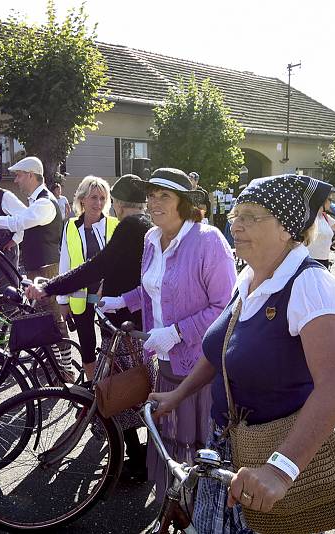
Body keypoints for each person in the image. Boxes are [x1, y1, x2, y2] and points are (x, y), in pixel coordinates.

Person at [149, 174, 335, 530]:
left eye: (251, 216)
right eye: (236, 215)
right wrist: (179, 394)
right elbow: (220, 352)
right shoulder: (249, 278)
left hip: (270, 456)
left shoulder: (309, 284)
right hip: (226, 450)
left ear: (287, 229)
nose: (236, 225)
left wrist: (280, 469)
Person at [99, 168, 236, 501]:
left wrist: (176, 333)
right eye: (151, 195)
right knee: (168, 438)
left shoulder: (207, 240)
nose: (154, 202)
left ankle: (197, 508)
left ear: (184, 203)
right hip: (161, 360)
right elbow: (152, 289)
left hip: (198, 364)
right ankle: (172, 507)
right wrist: (122, 300)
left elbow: (226, 306)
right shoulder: (150, 238)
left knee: (194, 443)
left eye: (164, 196)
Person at [24, 174, 154, 482]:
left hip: (125, 325)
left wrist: (49, 288)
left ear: (119, 204)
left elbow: (97, 266)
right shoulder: (146, 226)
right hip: (126, 319)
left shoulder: (130, 227)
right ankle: (138, 456)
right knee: (129, 388)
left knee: (123, 391)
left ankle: (138, 462)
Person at [0, 156, 72, 379]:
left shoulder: (45, 203)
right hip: (34, 267)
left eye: (18, 175)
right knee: (41, 316)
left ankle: (65, 369)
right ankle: (54, 363)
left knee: (53, 318)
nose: (16, 180)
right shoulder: (36, 202)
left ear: (30, 175)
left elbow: (16, 222)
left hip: (46, 268)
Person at [47, 176, 117, 381]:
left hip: (108, 296)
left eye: (103, 198)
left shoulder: (113, 225)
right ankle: (93, 391)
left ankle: (111, 390)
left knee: (111, 346)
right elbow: (65, 264)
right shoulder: (70, 226)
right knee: (86, 346)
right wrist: (62, 300)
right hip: (80, 298)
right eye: (93, 197)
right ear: (82, 200)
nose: (98, 203)